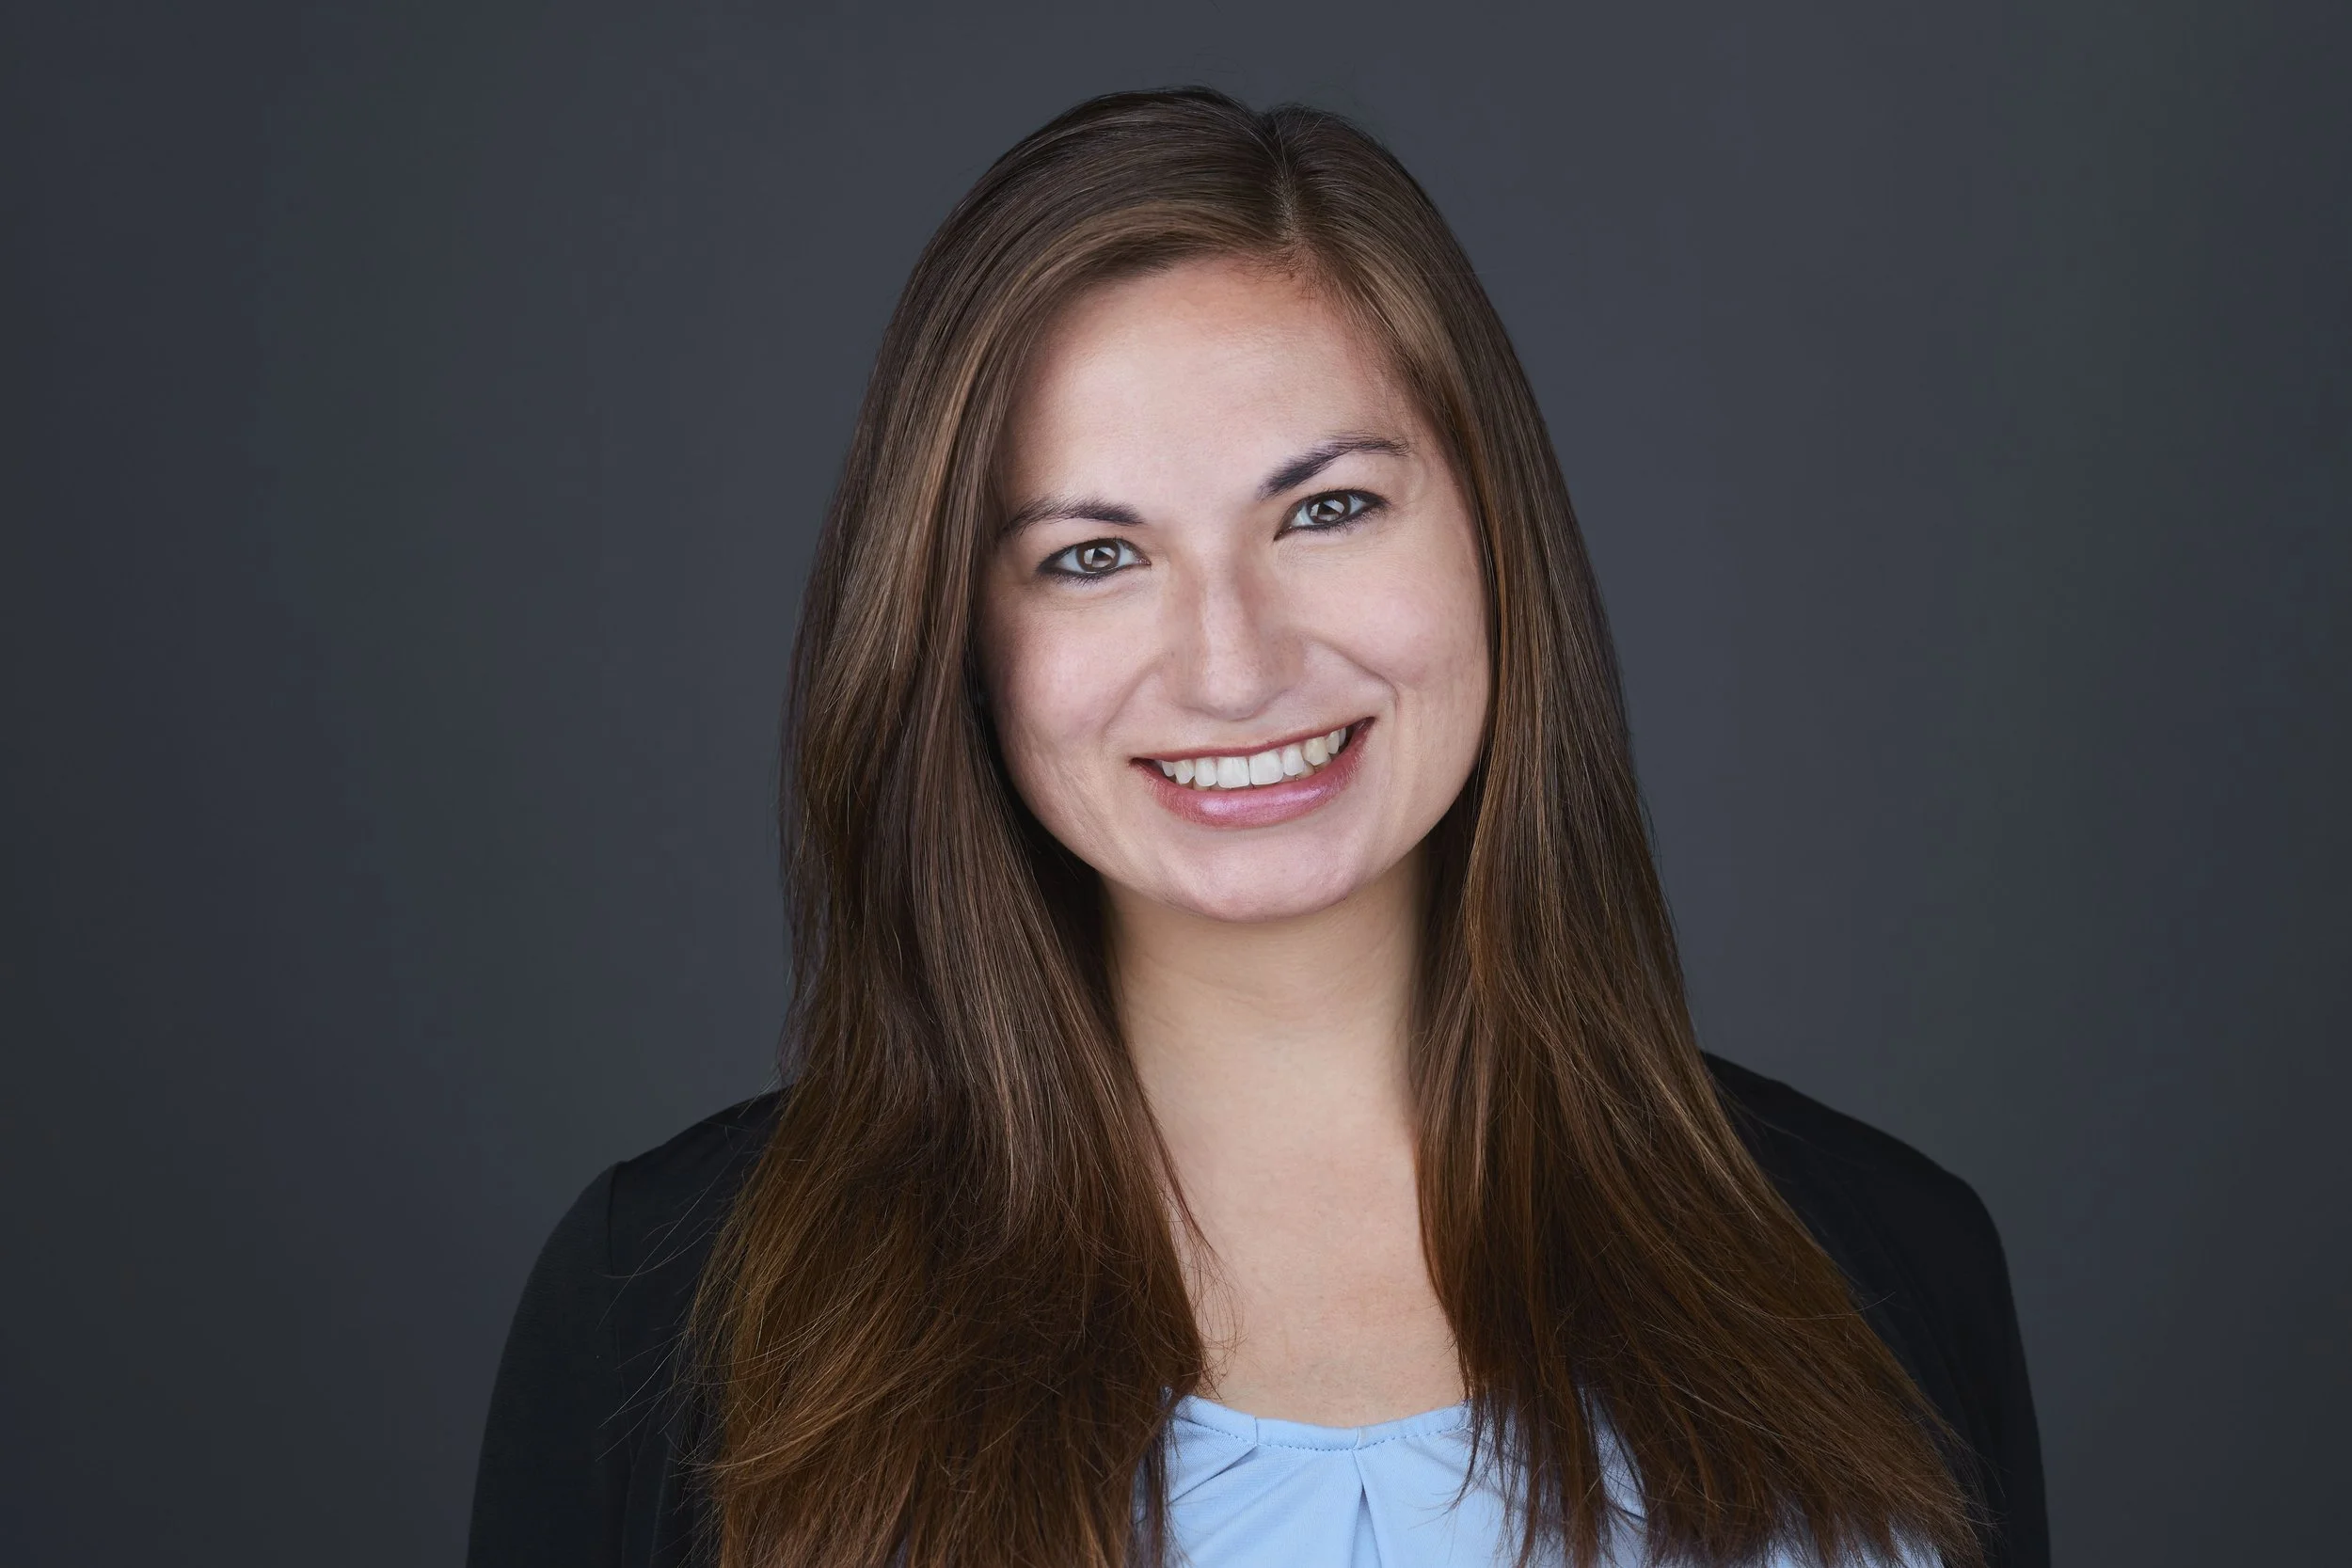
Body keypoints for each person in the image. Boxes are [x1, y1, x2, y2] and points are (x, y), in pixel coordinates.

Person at [467, 88, 2045, 1568]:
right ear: (960, 639)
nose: (1236, 664)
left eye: (1328, 510)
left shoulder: (1887, 1261)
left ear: (1499, 535)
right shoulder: (664, 1306)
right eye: (1092, 555)